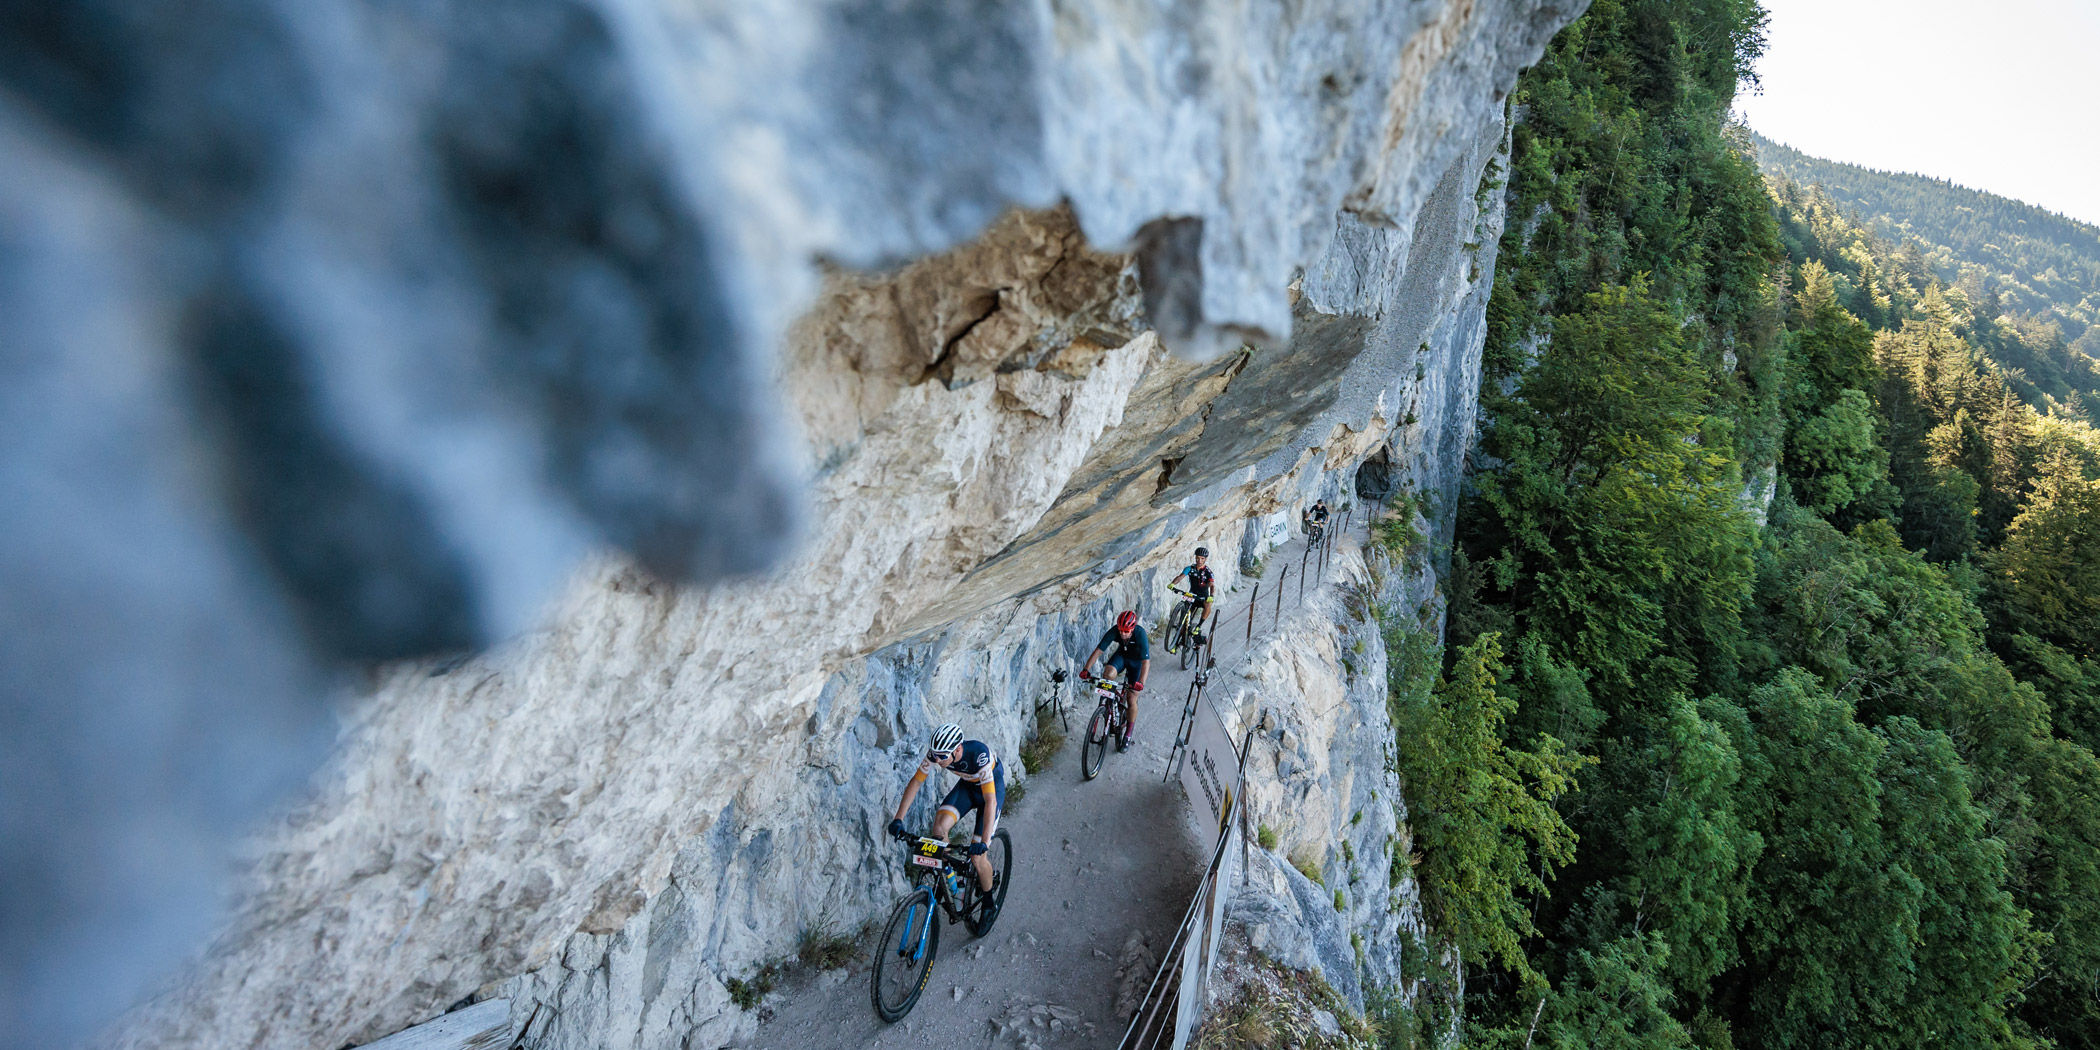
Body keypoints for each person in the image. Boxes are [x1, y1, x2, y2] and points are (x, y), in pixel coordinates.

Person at [888, 722, 1003, 921]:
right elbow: (916, 781)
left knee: (977, 858)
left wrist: (983, 843)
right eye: (935, 755)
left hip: (990, 792)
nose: (938, 760)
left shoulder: (979, 755)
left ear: (957, 749)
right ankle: (954, 885)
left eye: (942, 756)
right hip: (968, 787)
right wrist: (898, 818)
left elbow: (990, 800)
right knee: (939, 830)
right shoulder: (938, 753)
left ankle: (988, 902)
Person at [1080, 610, 1149, 750]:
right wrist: (1086, 669)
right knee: (1109, 674)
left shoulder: (1140, 634)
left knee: (1131, 699)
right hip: (1122, 657)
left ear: (1133, 628)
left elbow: (1146, 662)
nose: (1123, 634)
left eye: (1126, 631)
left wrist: (1140, 683)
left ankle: (1128, 734)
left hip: (1136, 663)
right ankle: (1108, 706)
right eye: (1121, 630)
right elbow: (1099, 650)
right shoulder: (1115, 631)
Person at [1169, 547, 1217, 645]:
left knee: (1209, 604)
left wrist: (1211, 595)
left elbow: (1212, 585)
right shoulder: (1189, 568)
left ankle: (1199, 626)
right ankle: (1176, 644)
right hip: (1191, 595)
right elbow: (1180, 577)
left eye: (1202, 558)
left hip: (1203, 597)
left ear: (1205, 559)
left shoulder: (1208, 572)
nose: (1199, 560)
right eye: (1198, 558)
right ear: (1195, 558)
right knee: (1184, 623)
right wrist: (1173, 584)